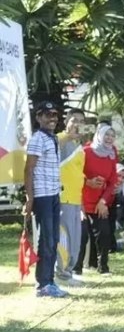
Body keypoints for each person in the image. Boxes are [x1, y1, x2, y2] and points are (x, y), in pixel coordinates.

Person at [24, 101, 67, 297]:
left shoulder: (53, 139)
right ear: (39, 117)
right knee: (46, 240)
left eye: (55, 115)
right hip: (41, 196)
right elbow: (29, 169)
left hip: (53, 194)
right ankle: (43, 284)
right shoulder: (38, 139)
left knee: (54, 239)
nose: (52, 118)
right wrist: (30, 198)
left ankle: (49, 281)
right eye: (47, 115)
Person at [75, 124, 118, 276]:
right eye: (107, 135)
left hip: (100, 202)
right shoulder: (86, 152)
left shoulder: (112, 154)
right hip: (81, 200)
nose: (109, 138)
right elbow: (75, 174)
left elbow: (113, 181)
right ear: (99, 135)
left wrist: (103, 201)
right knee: (82, 234)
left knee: (105, 232)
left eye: (112, 136)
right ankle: (76, 269)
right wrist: (88, 182)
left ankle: (103, 267)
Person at [55, 108, 86, 285]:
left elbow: (77, 173)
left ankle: (69, 271)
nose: (77, 124)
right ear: (66, 121)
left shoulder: (79, 146)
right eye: (74, 120)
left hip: (75, 199)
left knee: (75, 238)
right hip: (62, 197)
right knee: (64, 237)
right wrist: (68, 135)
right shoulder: (59, 139)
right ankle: (61, 274)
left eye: (81, 121)